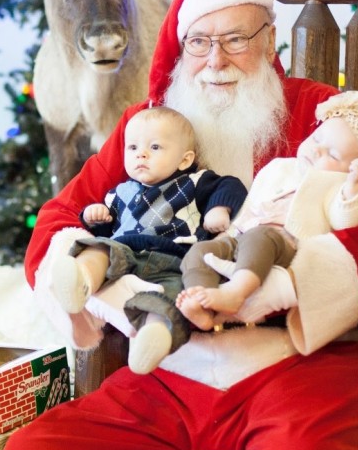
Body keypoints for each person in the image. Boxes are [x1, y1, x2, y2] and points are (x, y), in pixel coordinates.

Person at [5, 0, 358, 450]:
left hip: (308, 359)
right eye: (199, 42)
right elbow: (59, 218)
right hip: (177, 363)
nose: (215, 60)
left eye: (236, 40)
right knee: (40, 449)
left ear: (270, 41)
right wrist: (123, 297)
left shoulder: (330, 119)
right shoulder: (151, 128)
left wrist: (277, 289)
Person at [49, 106, 247, 373]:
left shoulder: (196, 181)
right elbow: (105, 232)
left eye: (155, 147)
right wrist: (94, 217)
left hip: (175, 257)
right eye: (132, 148)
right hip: (125, 250)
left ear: (185, 160)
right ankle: (81, 280)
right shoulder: (119, 193)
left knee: (175, 296)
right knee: (98, 250)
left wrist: (218, 209)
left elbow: (230, 185)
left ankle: (154, 336)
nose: (141, 154)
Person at [178, 90, 358, 330]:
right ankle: (202, 303)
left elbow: (347, 221)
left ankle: (235, 292)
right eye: (317, 139)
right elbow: (251, 206)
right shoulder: (279, 167)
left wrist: (354, 184)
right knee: (200, 250)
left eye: (333, 154)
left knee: (261, 237)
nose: (317, 151)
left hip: (287, 247)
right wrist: (229, 233)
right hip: (244, 237)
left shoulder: (338, 185)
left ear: (350, 169)